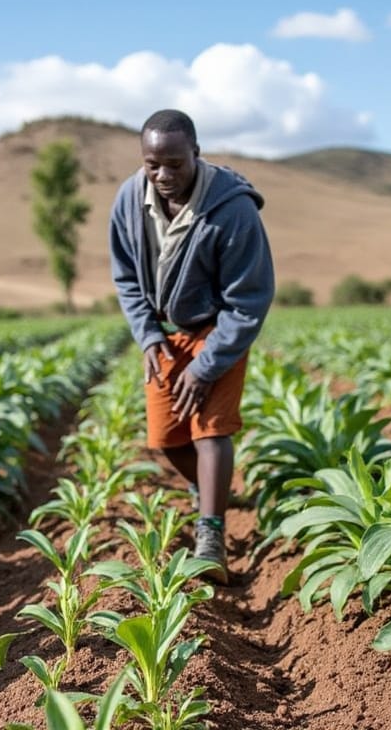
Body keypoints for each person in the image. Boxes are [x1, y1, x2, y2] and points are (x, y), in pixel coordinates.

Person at [109, 109, 275, 584]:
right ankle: (208, 494)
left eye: (174, 164)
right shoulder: (127, 200)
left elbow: (249, 300)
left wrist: (206, 367)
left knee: (210, 430)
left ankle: (211, 535)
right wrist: (148, 335)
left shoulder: (232, 210)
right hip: (164, 334)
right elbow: (124, 277)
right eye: (151, 164)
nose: (162, 175)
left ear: (196, 155)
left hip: (218, 328)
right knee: (165, 437)